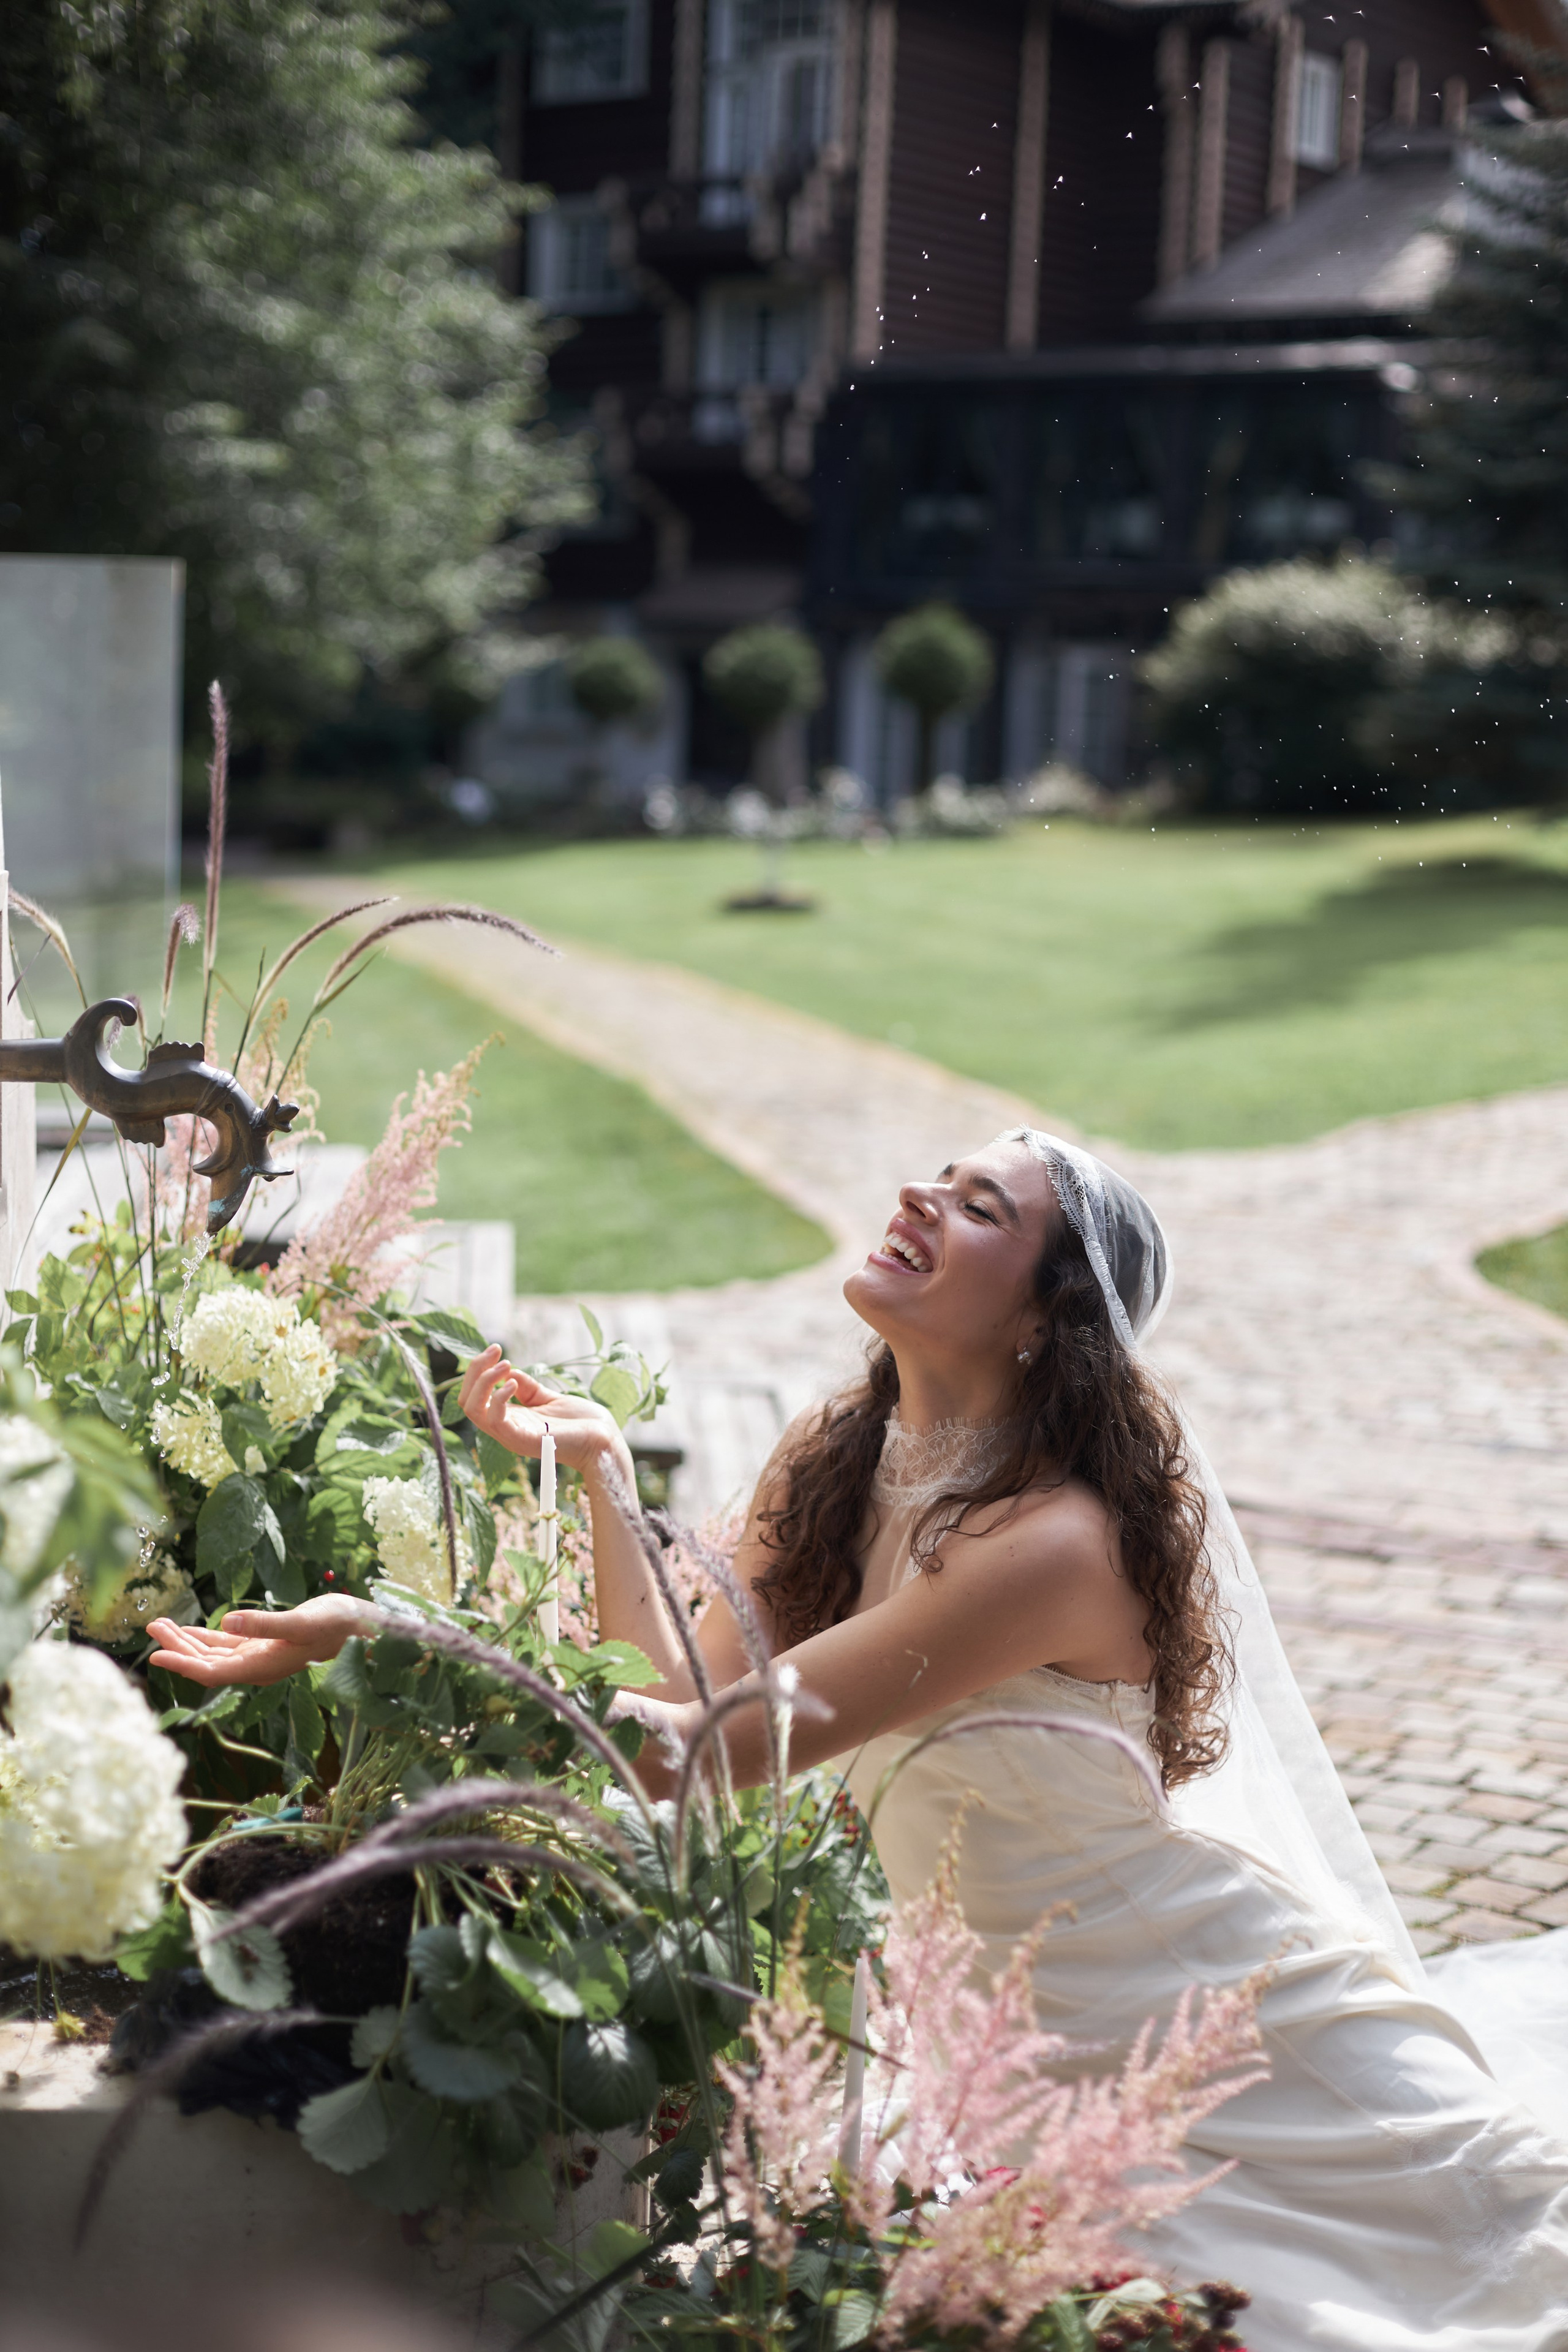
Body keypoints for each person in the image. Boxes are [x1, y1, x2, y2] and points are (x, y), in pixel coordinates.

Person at [151, 1130, 1568, 2349]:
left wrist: (388, 1634)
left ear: (1044, 1315)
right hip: (1016, 2045)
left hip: (1213, 2022)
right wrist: (593, 1473)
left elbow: (692, 1752)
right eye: (937, 1178)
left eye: (977, 1208)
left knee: (1479, 2277)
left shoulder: (1052, 1545)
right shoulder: (842, 1452)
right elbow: (673, 1682)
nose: (918, 1199)